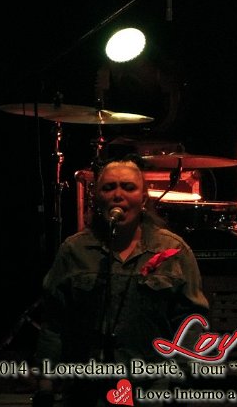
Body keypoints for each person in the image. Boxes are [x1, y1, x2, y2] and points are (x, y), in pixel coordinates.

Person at [34, 153, 208, 407]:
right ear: (96, 198)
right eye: (109, 188)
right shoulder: (75, 250)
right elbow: (54, 321)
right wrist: (45, 386)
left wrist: (182, 384)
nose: (118, 195)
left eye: (128, 187)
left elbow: (191, 323)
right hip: (87, 391)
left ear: (143, 198)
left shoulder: (172, 250)